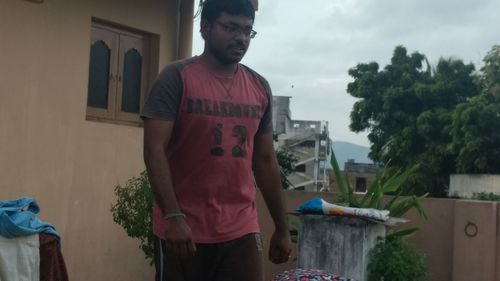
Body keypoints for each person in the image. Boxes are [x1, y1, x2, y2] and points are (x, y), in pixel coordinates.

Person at [141, 0, 292, 280]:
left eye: (248, 31)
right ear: (206, 28)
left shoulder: (259, 87)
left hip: (241, 229)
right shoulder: (176, 78)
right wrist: (173, 217)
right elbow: (154, 150)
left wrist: (281, 228)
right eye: (231, 28)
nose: (241, 38)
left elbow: (266, 160)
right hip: (184, 230)